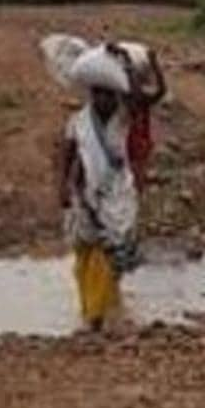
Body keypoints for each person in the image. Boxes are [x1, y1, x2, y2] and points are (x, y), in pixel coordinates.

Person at [55, 45, 141, 331]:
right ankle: (94, 306)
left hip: (116, 197)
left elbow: (143, 97)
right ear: (92, 95)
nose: (103, 99)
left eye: (109, 93)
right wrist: (63, 187)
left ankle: (96, 314)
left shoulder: (123, 118)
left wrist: (127, 63)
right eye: (98, 93)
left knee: (107, 254)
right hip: (84, 195)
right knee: (84, 255)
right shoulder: (78, 122)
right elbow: (67, 155)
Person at [122, 48, 167, 191]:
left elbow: (161, 91)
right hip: (125, 149)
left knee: (136, 179)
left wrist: (155, 65)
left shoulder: (143, 101)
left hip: (138, 148)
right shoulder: (123, 99)